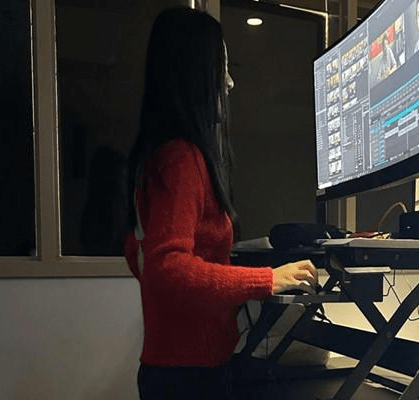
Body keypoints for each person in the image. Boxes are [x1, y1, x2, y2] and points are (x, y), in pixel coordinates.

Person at [124, 7, 318, 400]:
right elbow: (167, 268)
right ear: (195, 73)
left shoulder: (155, 157)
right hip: (190, 377)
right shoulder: (181, 158)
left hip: (170, 369)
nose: (229, 82)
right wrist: (267, 280)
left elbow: (137, 254)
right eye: (222, 67)